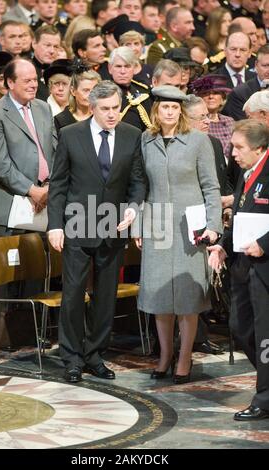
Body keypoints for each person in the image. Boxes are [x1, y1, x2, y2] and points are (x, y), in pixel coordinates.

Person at [47, 80, 147, 383]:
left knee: (106, 296)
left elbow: (138, 180)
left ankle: (94, 354)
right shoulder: (70, 135)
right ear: (93, 108)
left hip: (113, 226)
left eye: (116, 108)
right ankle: (72, 358)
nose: (112, 114)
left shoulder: (132, 136)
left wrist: (134, 207)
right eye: (105, 109)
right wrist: (55, 225)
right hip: (77, 224)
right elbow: (59, 185)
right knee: (74, 294)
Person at [136, 85, 222, 383]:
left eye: (174, 108)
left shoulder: (199, 141)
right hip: (157, 222)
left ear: (181, 111)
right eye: (164, 108)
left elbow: (211, 187)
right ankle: (164, 355)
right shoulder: (146, 140)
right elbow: (140, 186)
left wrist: (213, 226)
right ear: (156, 112)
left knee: (187, 297)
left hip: (191, 225)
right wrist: (137, 225)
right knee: (160, 296)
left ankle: (184, 357)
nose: (169, 112)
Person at [208, 119, 269, 421]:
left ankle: (264, 398)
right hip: (243, 264)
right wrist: (222, 245)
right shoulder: (246, 174)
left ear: (259, 149)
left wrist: (265, 244)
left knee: (265, 334)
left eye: (239, 147)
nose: (233, 152)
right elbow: (242, 215)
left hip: (265, 264)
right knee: (240, 326)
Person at [0, 58, 56, 237]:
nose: (33, 85)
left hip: (46, 198)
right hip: (10, 204)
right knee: (13, 263)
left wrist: (49, 185)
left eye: (35, 80)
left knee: (44, 262)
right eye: (27, 81)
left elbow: (55, 150)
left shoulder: (44, 108)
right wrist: (32, 190)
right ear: (11, 83)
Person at [54, 65, 101, 132]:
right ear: (73, 91)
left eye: (94, 90)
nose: (91, 95)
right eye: (86, 90)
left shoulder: (101, 117)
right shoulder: (60, 121)